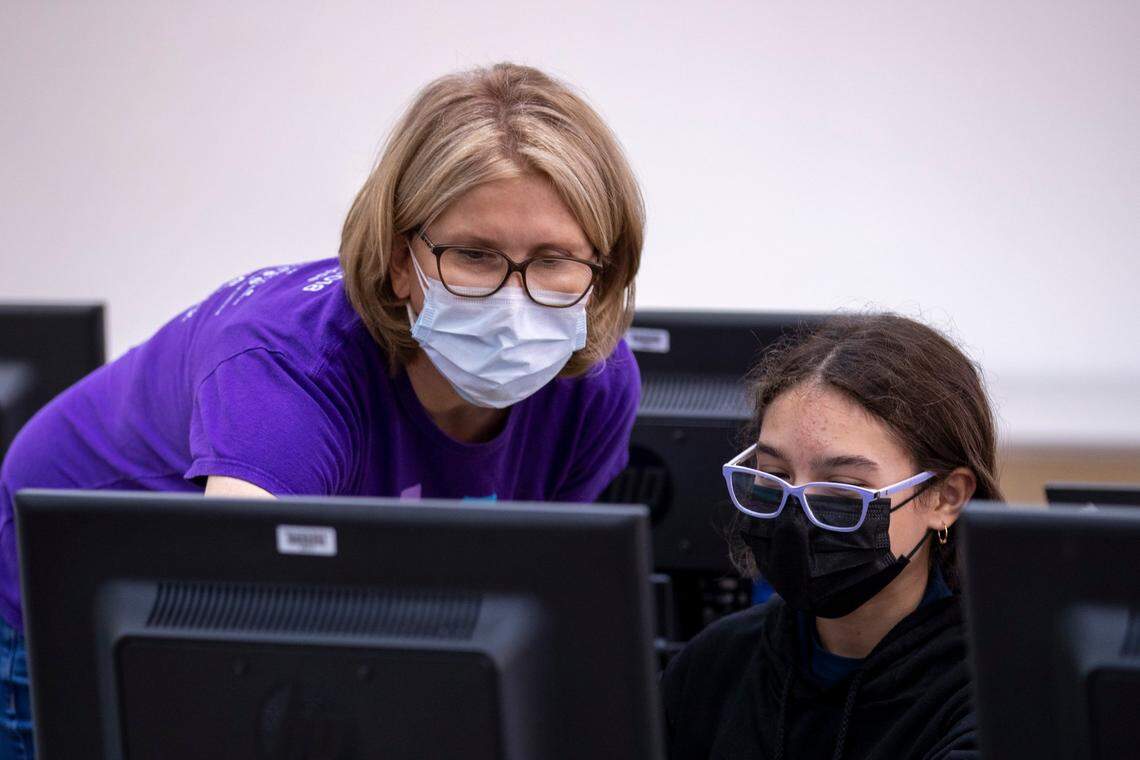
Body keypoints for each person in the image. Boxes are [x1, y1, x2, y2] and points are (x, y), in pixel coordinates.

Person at [0, 62, 644, 755]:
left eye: (555, 260)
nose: (515, 301)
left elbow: (529, 608)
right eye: (475, 255)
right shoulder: (293, 372)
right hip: (66, 608)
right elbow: (236, 637)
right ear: (403, 260)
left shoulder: (595, 388)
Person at [662, 314, 1002, 760]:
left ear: (945, 498)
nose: (796, 511)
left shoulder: (996, 696)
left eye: (843, 487)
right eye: (775, 475)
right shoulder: (715, 664)